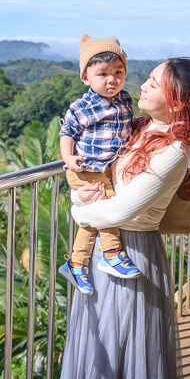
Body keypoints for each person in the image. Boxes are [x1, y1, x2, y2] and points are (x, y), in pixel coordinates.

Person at [56, 57, 190, 379]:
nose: (142, 86)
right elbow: (98, 185)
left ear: (175, 99)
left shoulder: (175, 150)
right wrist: (80, 199)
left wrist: (79, 213)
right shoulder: (136, 127)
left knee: (122, 351)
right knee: (97, 347)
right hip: (105, 250)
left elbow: (122, 209)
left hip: (132, 254)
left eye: (153, 82)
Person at [58, 35, 141, 296]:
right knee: (107, 208)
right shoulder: (82, 107)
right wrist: (68, 158)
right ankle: (112, 253)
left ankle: (76, 263)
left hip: (107, 169)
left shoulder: (126, 100)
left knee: (92, 221)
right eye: (102, 74)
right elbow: (67, 132)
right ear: (86, 77)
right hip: (85, 169)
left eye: (118, 72)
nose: (111, 79)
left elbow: (129, 126)